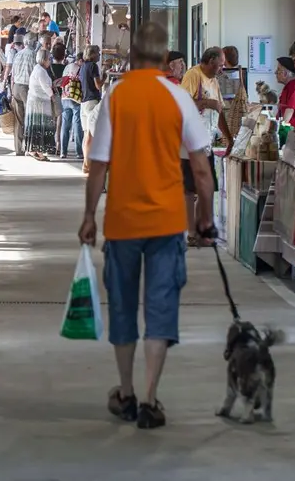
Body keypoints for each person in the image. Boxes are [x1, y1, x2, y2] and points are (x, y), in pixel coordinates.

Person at [78, 22, 214, 431]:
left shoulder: (117, 97)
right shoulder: (178, 97)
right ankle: (151, 399)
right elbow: (201, 169)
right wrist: (205, 217)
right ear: (165, 58)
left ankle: (126, 392)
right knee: (160, 307)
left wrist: (89, 216)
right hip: (167, 223)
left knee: (123, 306)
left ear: (134, 55)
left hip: (123, 222)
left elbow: (98, 165)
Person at [180, 47, 232, 242]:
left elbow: (220, 113)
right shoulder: (193, 75)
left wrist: (229, 138)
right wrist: (206, 103)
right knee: (190, 189)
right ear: (211, 61)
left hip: (207, 141)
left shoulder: (214, 81)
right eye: (221, 64)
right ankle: (191, 233)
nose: (222, 69)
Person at [25, 49, 57, 161]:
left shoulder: (38, 69)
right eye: (49, 59)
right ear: (44, 59)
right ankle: (39, 151)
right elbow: (45, 86)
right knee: (40, 127)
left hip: (36, 102)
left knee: (35, 127)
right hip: (39, 103)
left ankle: (34, 150)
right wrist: (53, 96)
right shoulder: (41, 71)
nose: (50, 61)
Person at [9, 32, 36, 157]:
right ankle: (29, 147)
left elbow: (13, 75)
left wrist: (11, 90)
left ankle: (18, 149)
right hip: (27, 88)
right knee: (29, 118)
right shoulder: (34, 55)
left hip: (16, 87)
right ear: (32, 42)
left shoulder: (18, 54)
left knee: (18, 120)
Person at [79, 45, 104, 171]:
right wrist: (105, 77)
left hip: (83, 102)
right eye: (98, 53)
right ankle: (87, 164)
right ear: (92, 54)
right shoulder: (93, 66)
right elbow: (98, 85)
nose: (99, 55)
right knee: (90, 135)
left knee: (86, 135)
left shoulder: (83, 66)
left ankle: (86, 163)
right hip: (92, 101)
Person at [60, 53, 84, 159]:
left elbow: (62, 81)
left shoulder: (67, 67)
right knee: (77, 124)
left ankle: (63, 151)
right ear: (80, 60)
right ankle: (79, 152)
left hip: (65, 97)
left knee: (65, 125)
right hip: (75, 98)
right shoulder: (79, 68)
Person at [274, 56, 295, 128]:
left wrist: (281, 128)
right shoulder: (287, 87)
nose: (275, 72)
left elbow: (291, 109)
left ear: (285, 74)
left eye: (278, 70)